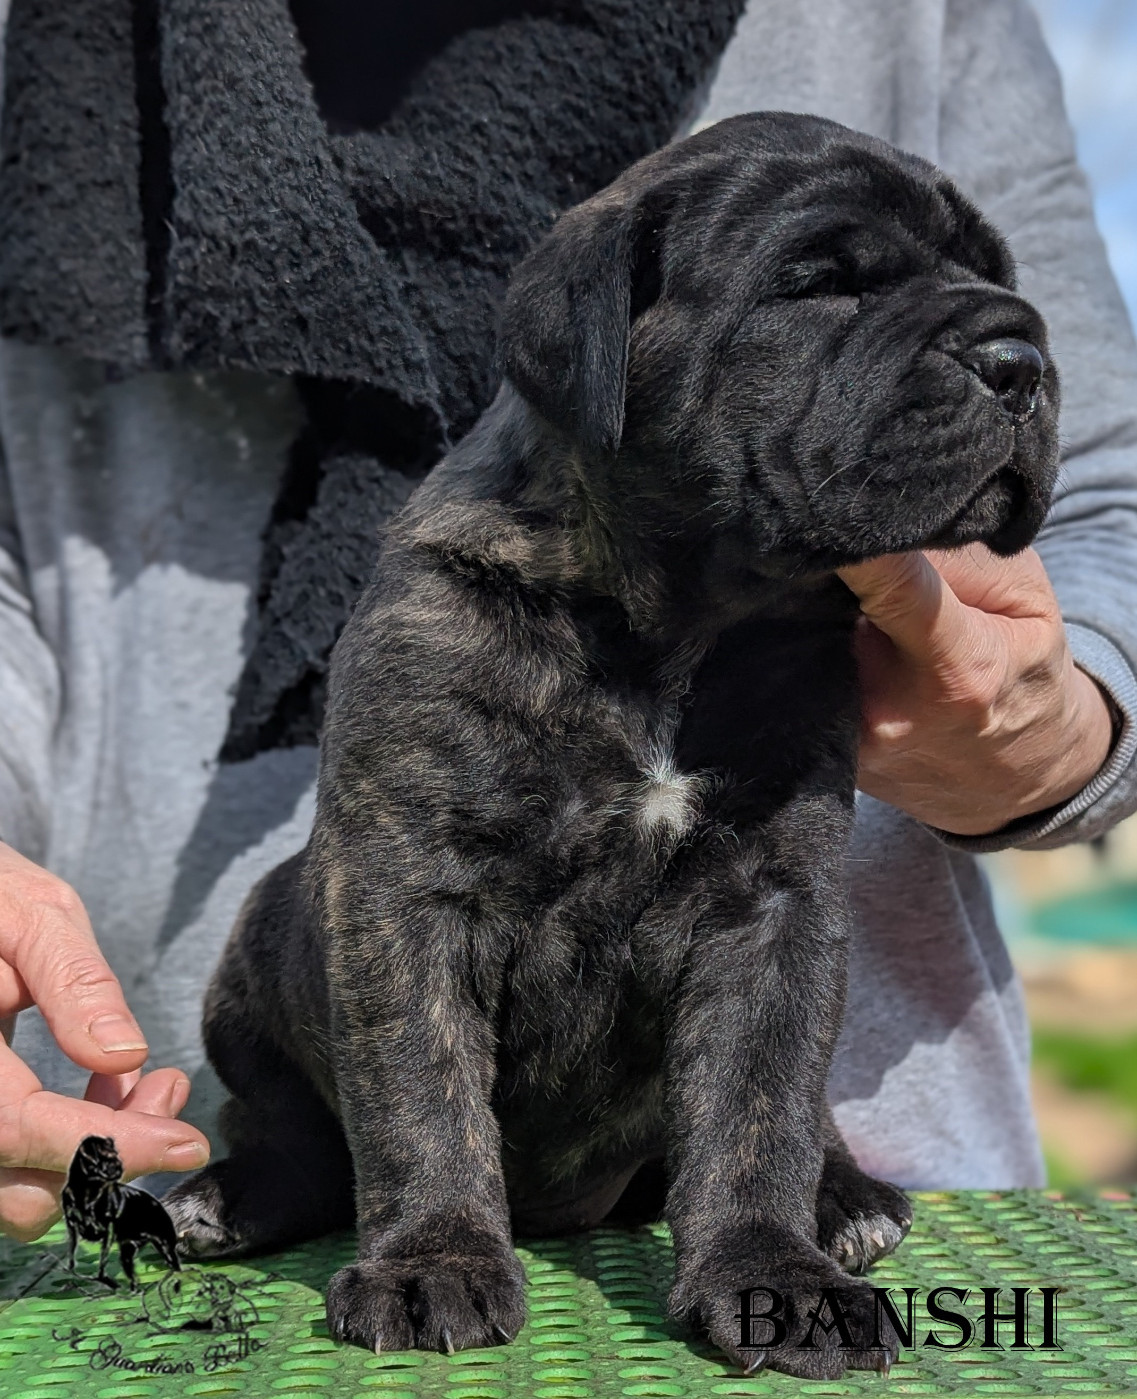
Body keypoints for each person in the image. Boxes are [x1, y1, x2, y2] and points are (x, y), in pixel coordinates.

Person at [2, 0, 1136, 1246]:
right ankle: (308, 1172)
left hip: (878, 1175)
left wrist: (1062, 716)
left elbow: (1110, 495)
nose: (991, 347)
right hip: (219, 1148)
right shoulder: (56, 44)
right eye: (830, 289)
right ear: (598, 345)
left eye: (979, 288)